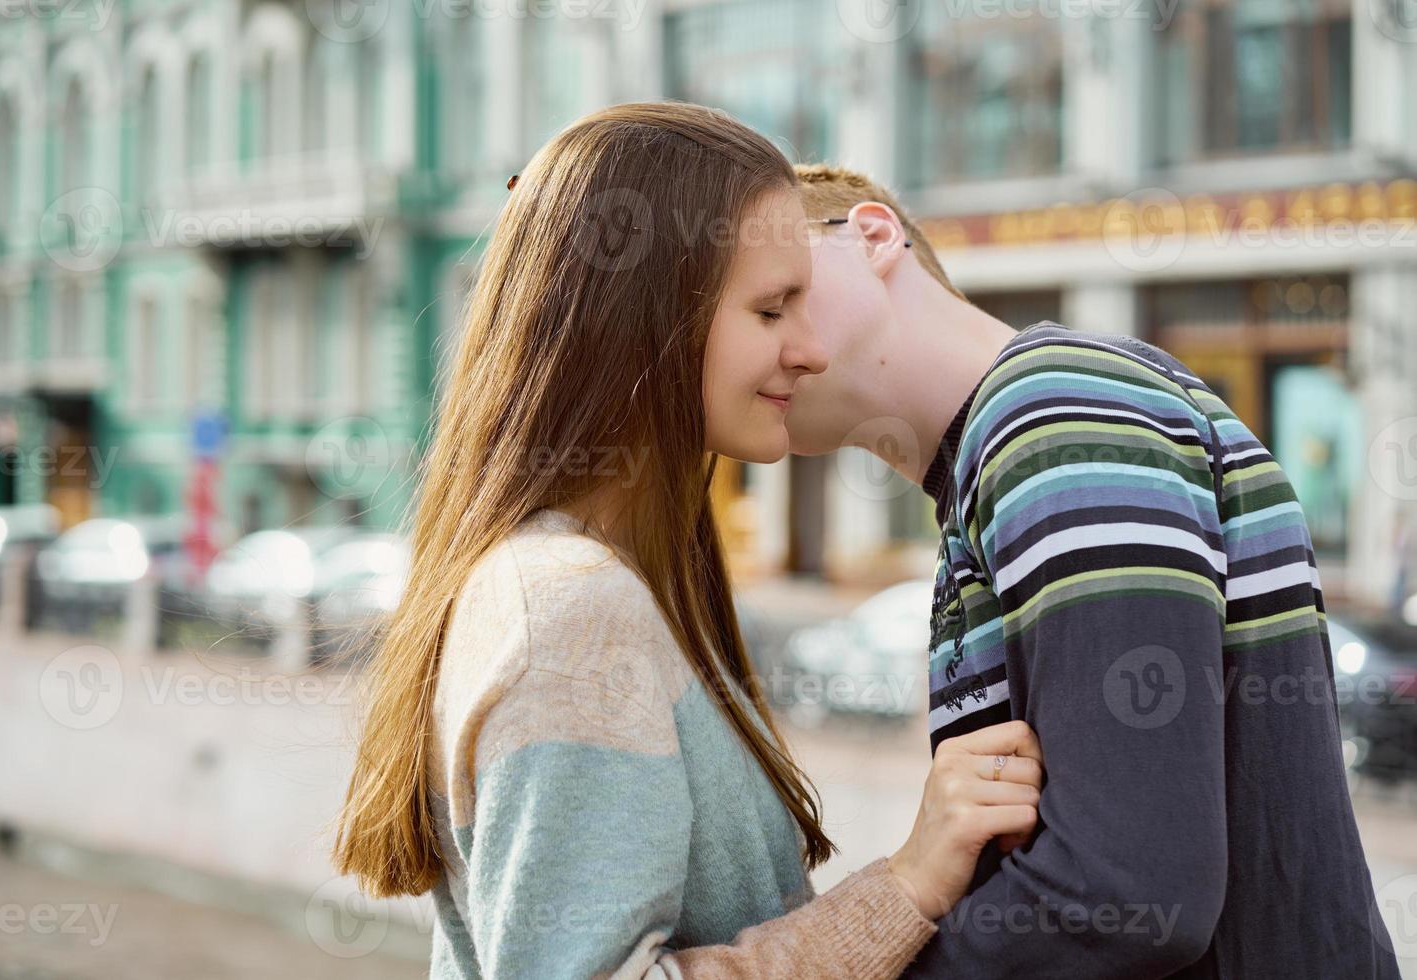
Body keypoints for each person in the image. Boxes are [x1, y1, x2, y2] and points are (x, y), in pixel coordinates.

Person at [331, 103, 1046, 979]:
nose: (812, 349)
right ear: (647, 314)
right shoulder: (571, 608)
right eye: (773, 308)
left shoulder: (592, 583)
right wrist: (905, 886)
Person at [785, 162, 1401, 978]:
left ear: (871, 236)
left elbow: (1126, 890)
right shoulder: (1018, 437)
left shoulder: (1051, 415)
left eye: (778, 293)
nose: (759, 340)